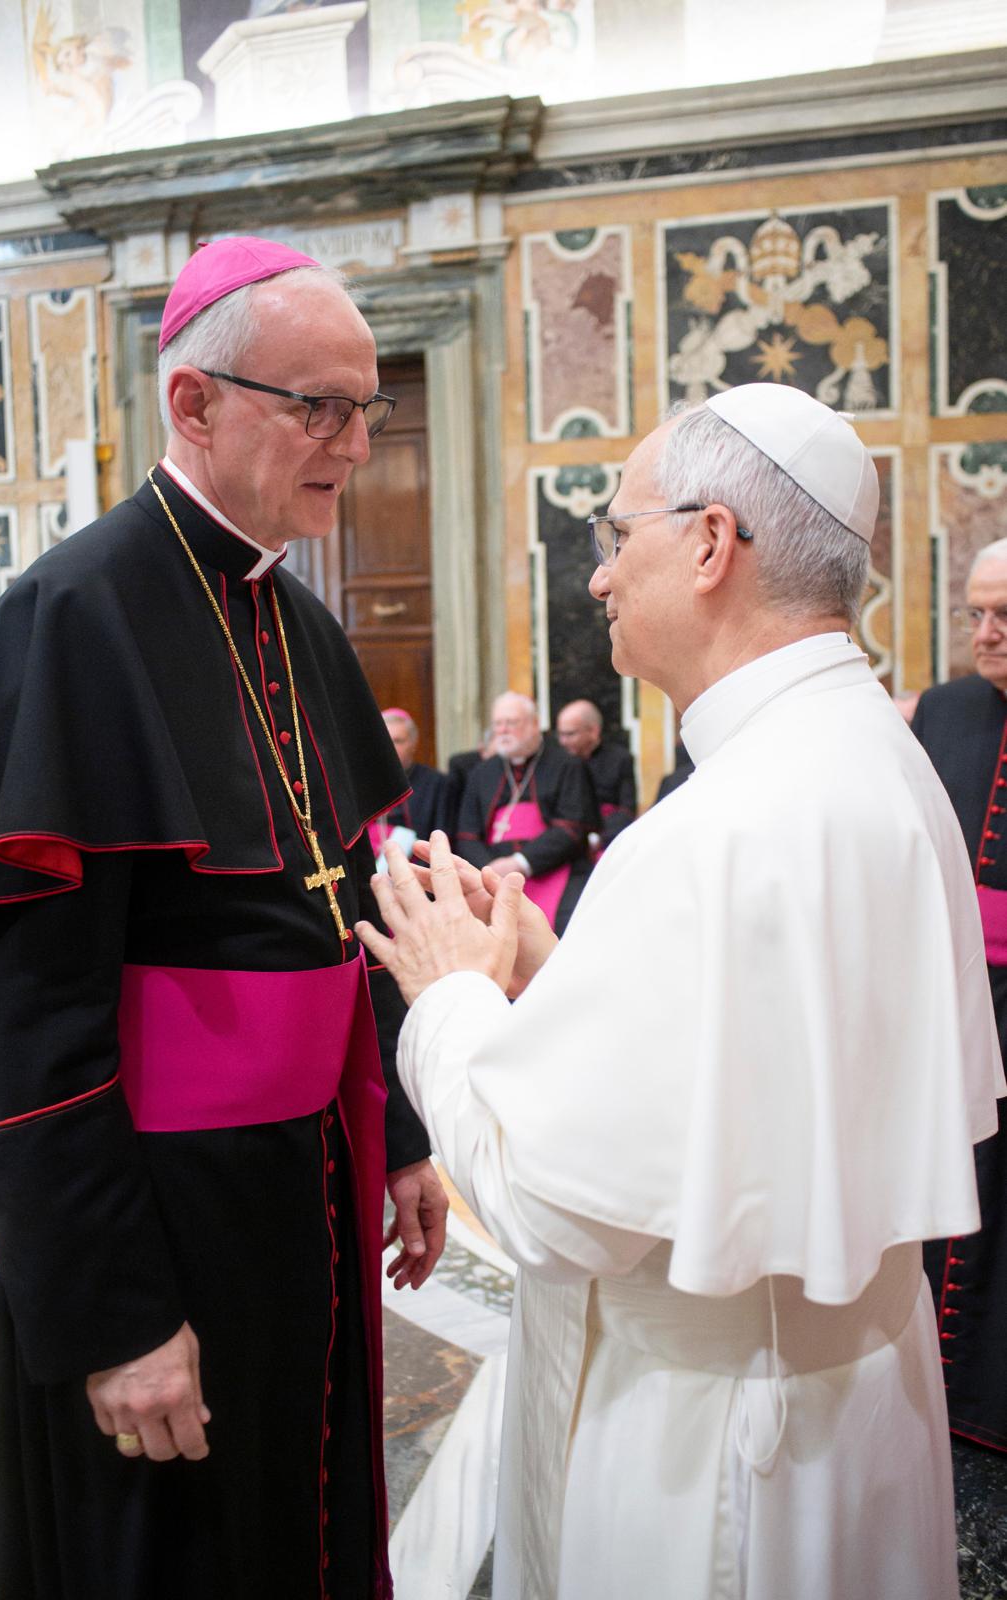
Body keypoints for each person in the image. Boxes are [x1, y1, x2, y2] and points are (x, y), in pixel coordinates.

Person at [357, 383, 1004, 1600]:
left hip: (706, 1448)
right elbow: (757, 1052)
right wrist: (559, 969)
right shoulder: (875, 753)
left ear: (709, 542)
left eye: (616, 536)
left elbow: (555, 1206)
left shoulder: (716, 825)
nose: (597, 578)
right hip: (852, 1395)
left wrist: (449, 998)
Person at [0, 236, 448, 1600]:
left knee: (299, 1518)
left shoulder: (298, 620)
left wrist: (396, 1131)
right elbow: (20, 1017)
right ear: (195, 403)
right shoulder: (69, 619)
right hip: (157, 1225)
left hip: (301, 1187)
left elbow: (340, 912)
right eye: (317, 406)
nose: (351, 437)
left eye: (364, 407)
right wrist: (116, 1315)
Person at [910, 537, 1007, 1454]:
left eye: (1004, 618)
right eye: (975, 615)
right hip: (953, 1004)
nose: (986, 634)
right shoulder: (944, 710)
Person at [456, 690, 597, 934]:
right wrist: (491, 870)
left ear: (534, 724)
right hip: (493, 876)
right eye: (498, 723)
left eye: (511, 722)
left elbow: (572, 829)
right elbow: (467, 835)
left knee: (568, 925)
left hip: (551, 869)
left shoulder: (567, 765)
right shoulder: (482, 773)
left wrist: (519, 863)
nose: (503, 730)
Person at [554, 698, 637, 851]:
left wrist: (598, 838)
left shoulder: (620, 759)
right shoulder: (557, 762)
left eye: (570, 734)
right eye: (560, 735)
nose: (563, 741)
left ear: (593, 731)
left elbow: (627, 811)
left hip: (606, 841)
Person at [370, 707, 453, 852]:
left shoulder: (436, 783)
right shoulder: (359, 785)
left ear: (413, 744)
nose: (389, 747)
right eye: (384, 739)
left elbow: (442, 838)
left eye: (398, 741)